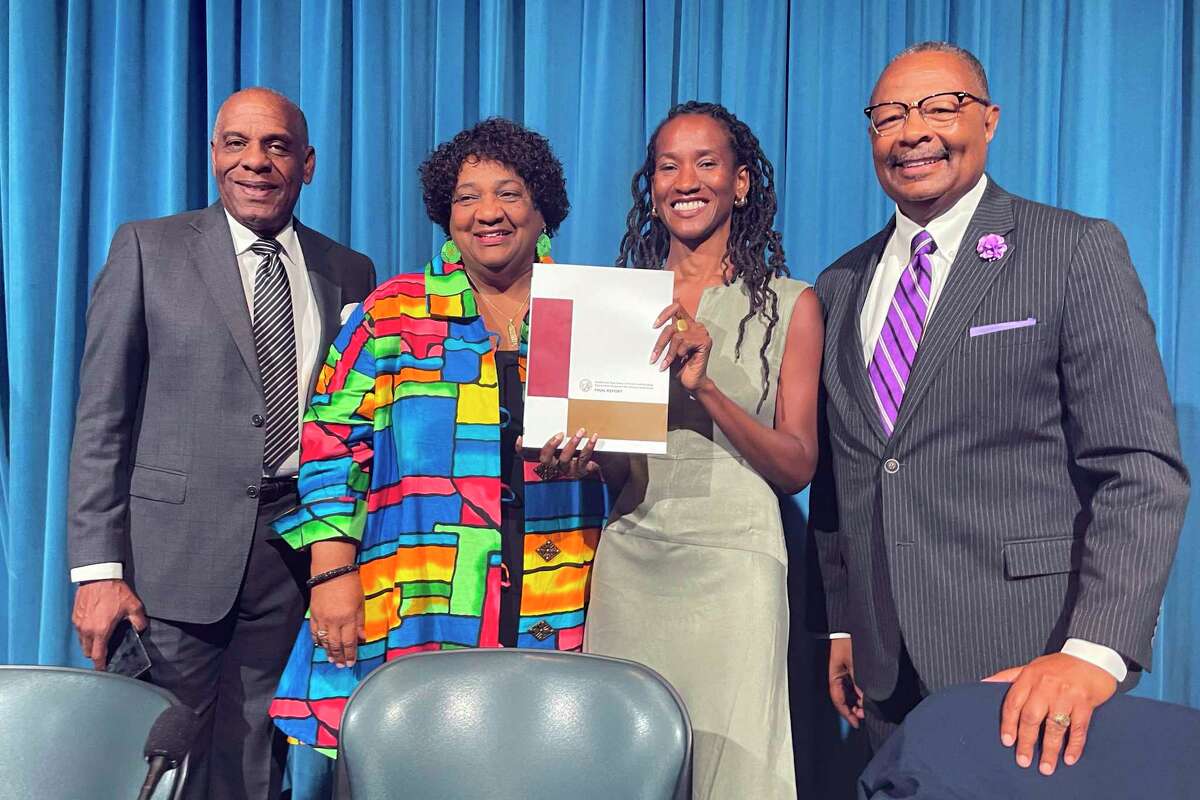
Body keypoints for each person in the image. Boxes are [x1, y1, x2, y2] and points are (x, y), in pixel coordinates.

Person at [807, 41, 1188, 776]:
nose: (912, 131)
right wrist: (844, 627)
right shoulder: (839, 283)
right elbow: (846, 476)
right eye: (889, 116)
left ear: (989, 121)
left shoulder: (1072, 250)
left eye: (940, 107)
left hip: (1033, 661)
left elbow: (1140, 467)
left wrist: (1093, 652)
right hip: (887, 672)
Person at [66, 87, 376, 798]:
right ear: (214, 155)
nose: (255, 162)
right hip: (166, 564)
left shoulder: (348, 270)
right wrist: (96, 571)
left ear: (308, 163)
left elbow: (351, 421)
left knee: (253, 765)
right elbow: (100, 420)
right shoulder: (147, 248)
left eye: (276, 146)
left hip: (291, 563)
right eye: (236, 143)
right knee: (149, 760)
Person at [268, 117, 609, 755]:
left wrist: (606, 463)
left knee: (544, 767)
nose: (488, 213)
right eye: (466, 197)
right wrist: (330, 572)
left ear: (544, 209)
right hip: (422, 593)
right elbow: (330, 442)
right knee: (422, 762)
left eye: (508, 193)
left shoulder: (592, 310)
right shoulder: (394, 311)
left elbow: (633, 462)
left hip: (562, 592)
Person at [583, 101, 824, 800]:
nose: (685, 179)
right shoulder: (618, 302)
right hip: (631, 561)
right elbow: (622, 462)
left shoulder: (791, 304)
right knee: (619, 767)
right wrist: (584, 460)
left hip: (736, 569)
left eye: (706, 162)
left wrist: (709, 391)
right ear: (650, 187)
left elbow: (797, 466)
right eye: (668, 165)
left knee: (736, 773)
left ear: (741, 184)